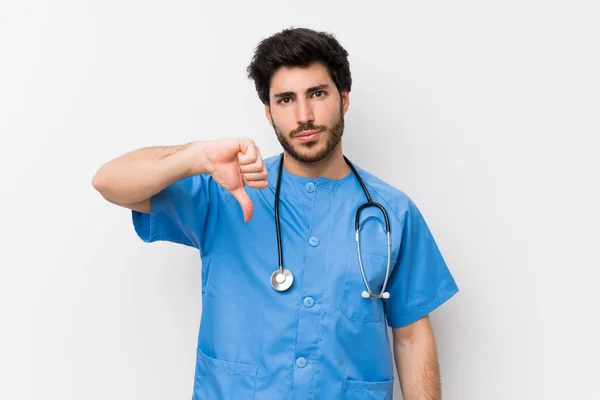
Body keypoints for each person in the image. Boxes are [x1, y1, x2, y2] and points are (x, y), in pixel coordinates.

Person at [92, 27, 459, 400]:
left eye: (317, 94)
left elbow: (412, 339)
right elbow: (109, 182)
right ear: (268, 113)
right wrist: (198, 157)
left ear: (344, 98)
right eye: (285, 99)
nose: (304, 116)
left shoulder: (391, 213)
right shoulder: (226, 194)